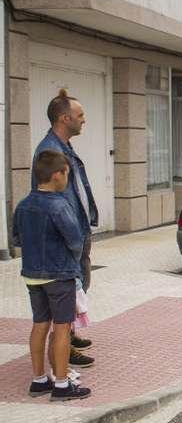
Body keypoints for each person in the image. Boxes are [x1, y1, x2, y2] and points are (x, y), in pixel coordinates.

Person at [13, 151, 92, 401]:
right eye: (66, 174)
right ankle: (60, 385)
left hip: (32, 275)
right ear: (57, 174)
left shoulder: (23, 205)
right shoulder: (59, 205)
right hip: (59, 275)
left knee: (39, 325)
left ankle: (39, 380)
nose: (67, 179)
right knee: (62, 328)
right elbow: (75, 241)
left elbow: (16, 238)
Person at [33, 89, 96, 368]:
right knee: (69, 293)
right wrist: (66, 236)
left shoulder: (65, 146)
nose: (84, 120)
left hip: (77, 229)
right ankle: (64, 350)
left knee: (80, 287)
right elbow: (47, 198)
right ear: (64, 118)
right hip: (65, 234)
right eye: (79, 115)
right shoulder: (50, 151)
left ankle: (69, 334)